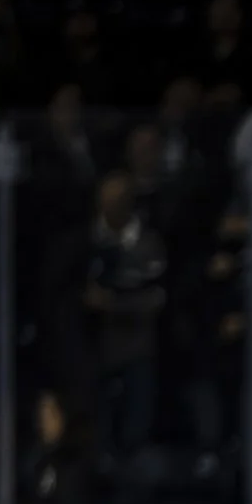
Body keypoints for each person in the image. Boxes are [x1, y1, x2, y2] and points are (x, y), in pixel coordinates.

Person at [84, 172, 167, 469]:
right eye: (106, 201)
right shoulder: (86, 242)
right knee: (99, 431)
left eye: (119, 200)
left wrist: (114, 304)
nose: (111, 207)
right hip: (96, 352)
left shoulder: (148, 244)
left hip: (137, 350)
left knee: (136, 431)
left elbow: (156, 298)